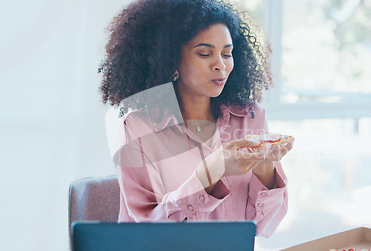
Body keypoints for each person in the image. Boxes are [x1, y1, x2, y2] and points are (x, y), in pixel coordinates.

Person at [100, 0, 294, 237]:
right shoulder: (137, 126)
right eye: (204, 53)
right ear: (170, 58)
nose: (220, 65)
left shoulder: (251, 117)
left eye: (227, 53)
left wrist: (265, 167)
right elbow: (149, 230)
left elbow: (263, 228)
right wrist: (210, 173)